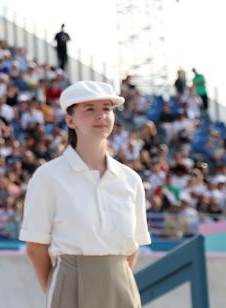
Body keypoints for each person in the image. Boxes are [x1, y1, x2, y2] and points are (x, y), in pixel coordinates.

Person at [20, 81, 151, 307]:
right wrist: (58, 290)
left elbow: (132, 248)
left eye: (107, 109)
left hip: (122, 285)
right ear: (70, 120)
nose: (101, 115)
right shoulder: (48, 177)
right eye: (90, 109)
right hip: (70, 283)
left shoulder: (130, 180)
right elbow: (36, 249)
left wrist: (114, 276)